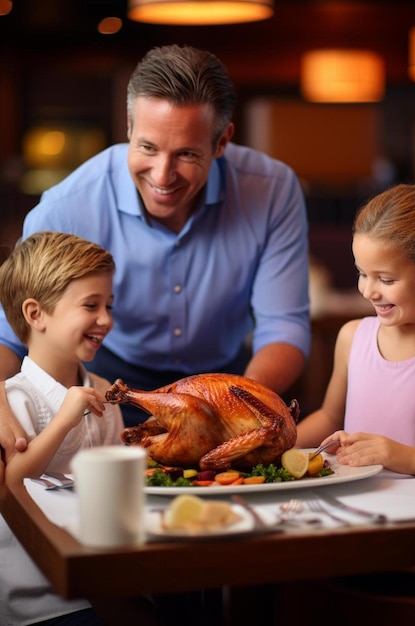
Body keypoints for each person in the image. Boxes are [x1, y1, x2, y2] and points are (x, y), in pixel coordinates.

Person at [0, 44, 310, 446]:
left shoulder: (272, 190)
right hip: (107, 391)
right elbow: (10, 334)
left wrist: (230, 409)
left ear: (221, 142)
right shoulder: (66, 207)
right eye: (147, 147)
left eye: (185, 154)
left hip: (232, 385)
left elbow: (283, 325)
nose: (163, 176)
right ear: (129, 126)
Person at [297, 183, 415, 495]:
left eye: (386, 279)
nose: (368, 291)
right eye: (362, 273)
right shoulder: (353, 336)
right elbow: (330, 417)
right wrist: (272, 444)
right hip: (353, 508)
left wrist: (401, 455)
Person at [0, 231, 124, 625]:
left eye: (109, 305)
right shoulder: (14, 398)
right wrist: (65, 417)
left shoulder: (103, 391)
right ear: (36, 314)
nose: (106, 320)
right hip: (39, 600)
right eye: (91, 305)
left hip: (101, 583)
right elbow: (13, 485)